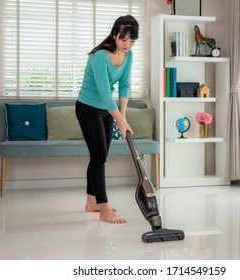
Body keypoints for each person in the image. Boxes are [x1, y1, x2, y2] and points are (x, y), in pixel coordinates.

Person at [75, 15, 139, 224]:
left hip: (106, 110)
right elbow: (104, 91)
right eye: (123, 39)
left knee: (99, 157)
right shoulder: (100, 56)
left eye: (132, 40)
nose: (127, 44)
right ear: (114, 35)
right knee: (99, 157)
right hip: (87, 108)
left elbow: (125, 85)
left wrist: (123, 115)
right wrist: (119, 120)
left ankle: (91, 202)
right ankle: (103, 208)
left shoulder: (128, 56)